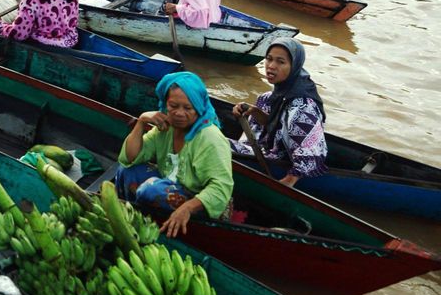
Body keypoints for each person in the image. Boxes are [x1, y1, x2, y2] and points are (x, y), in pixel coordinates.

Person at [116, 72, 234, 237]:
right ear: (165, 104)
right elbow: (130, 157)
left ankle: (159, 226)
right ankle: (135, 219)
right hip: (173, 186)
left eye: (188, 108)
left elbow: (221, 188)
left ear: (198, 108)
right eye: (173, 106)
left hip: (202, 202)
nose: (179, 113)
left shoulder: (209, 137)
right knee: (126, 170)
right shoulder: (165, 127)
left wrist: (186, 208)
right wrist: (141, 122)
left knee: (151, 191)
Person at [230, 38, 328, 187]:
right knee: (263, 99)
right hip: (267, 149)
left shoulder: (302, 106)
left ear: (294, 66)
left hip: (282, 161)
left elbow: (311, 151)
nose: (271, 66)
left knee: (213, 144)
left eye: (280, 62)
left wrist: (289, 180)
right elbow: (279, 124)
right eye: (269, 59)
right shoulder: (277, 95)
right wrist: (254, 112)